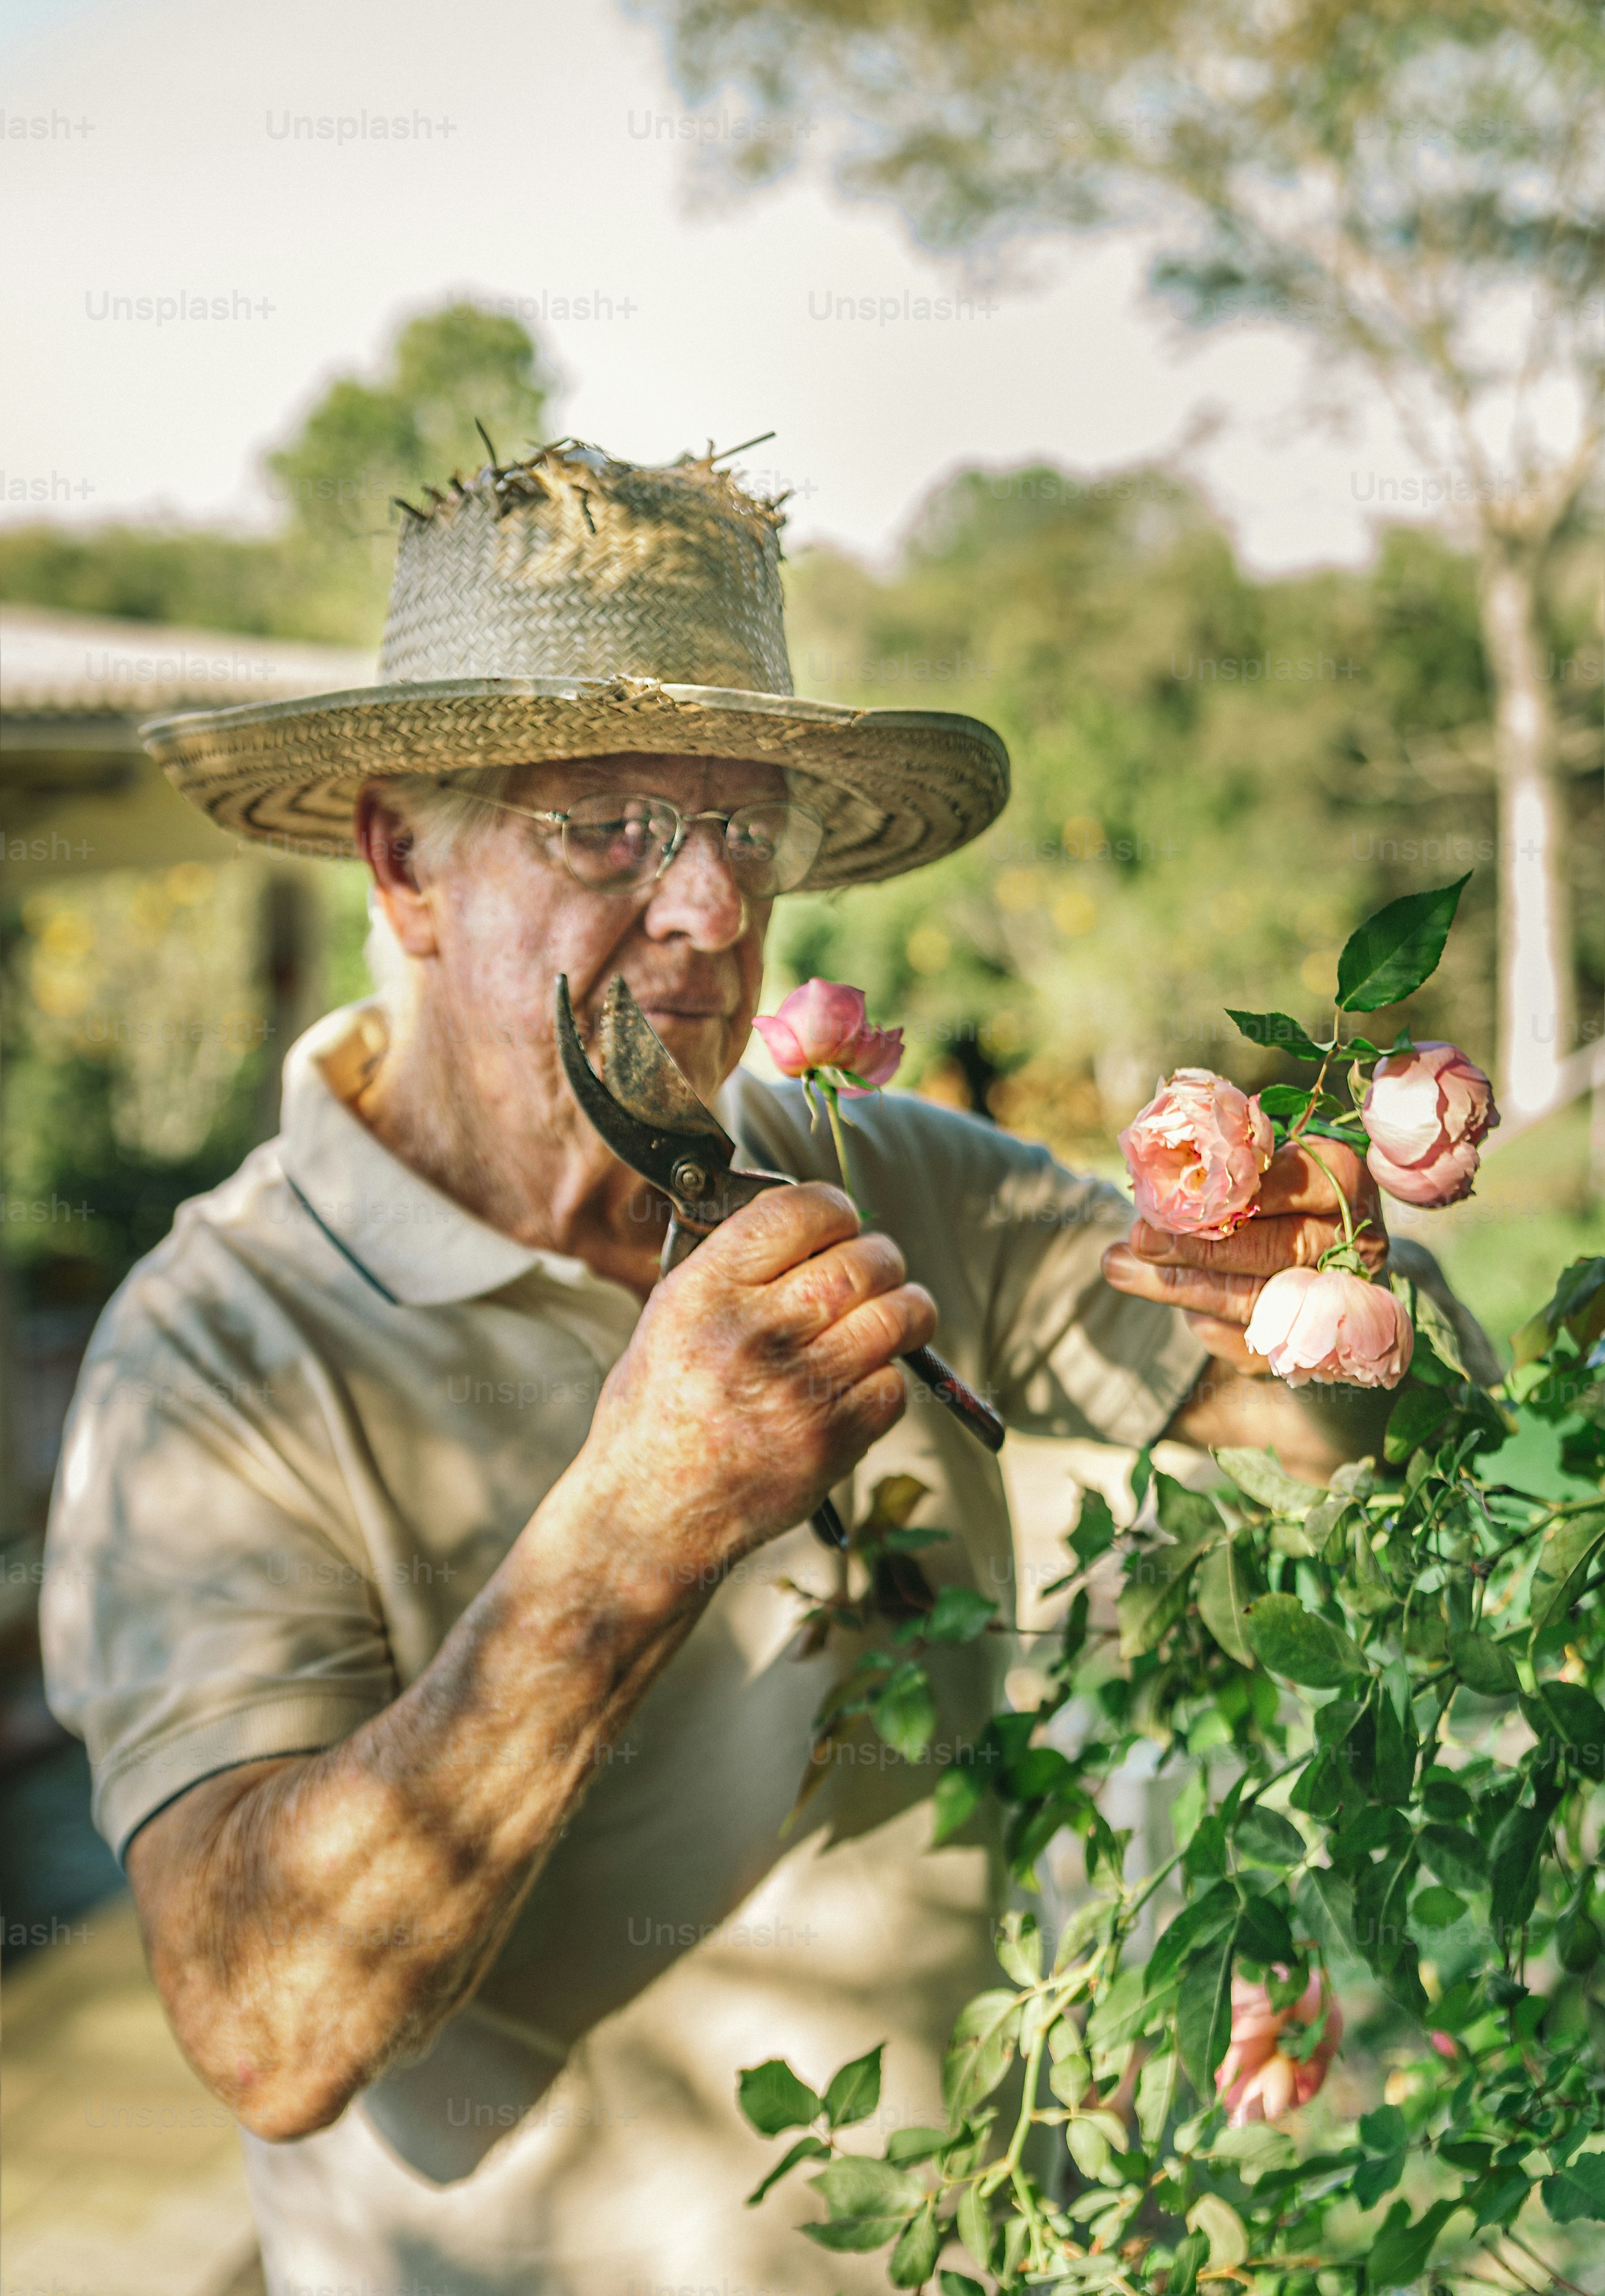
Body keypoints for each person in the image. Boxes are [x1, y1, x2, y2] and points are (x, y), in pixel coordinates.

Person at [41, 444, 1439, 2296]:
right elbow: (264, 2024)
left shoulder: (877, 1165)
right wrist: (643, 1522)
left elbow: (1336, 1429)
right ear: (405, 859)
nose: (711, 912)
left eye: (747, 827)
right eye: (607, 825)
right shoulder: (213, 1351)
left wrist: (1325, 1287)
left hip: (966, 2250)